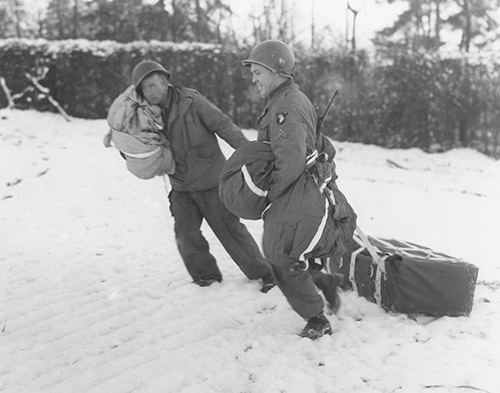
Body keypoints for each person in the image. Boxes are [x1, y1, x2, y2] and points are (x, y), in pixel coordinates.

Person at [128, 60, 275, 292]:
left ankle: (265, 274)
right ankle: (205, 277)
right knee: (185, 233)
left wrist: (250, 155)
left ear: (166, 82)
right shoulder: (144, 116)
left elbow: (223, 125)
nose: (151, 92)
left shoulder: (191, 101)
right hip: (181, 186)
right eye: (145, 88)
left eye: (154, 85)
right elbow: (136, 145)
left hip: (212, 181)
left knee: (230, 231)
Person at [242, 40, 354, 339]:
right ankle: (323, 283)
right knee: (289, 252)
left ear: (274, 69)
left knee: (279, 254)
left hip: (296, 188)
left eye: (256, 72)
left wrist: (271, 195)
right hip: (301, 185)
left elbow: (289, 161)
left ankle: (317, 318)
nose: (253, 79)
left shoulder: (286, 106)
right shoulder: (287, 98)